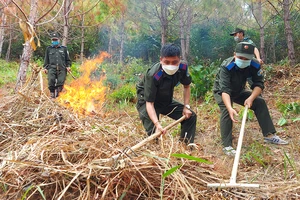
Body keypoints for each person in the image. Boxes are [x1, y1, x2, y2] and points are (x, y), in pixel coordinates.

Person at [213, 42, 288, 156]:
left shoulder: (254, 65)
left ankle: (269, 136)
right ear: (234, 55)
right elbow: (225, 90)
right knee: (227, 110)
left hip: (239, 90)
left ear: (252, 58)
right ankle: (227, 146)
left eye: (246, 58)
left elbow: (259, 84)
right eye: (240, 57)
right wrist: (230, 107)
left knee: (260, 102)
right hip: (222, 91)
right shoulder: (226, 66)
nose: (243, 60)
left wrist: (251, 98)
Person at [136, 44, 197, 145]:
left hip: (165, 99)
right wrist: (157, 124)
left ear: (180, 59)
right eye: (167, 62)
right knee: (154, 134)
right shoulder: (154, 75)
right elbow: (149, 103)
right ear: (161, 60)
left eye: (175, 62)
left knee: (190, 116)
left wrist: (186, 107)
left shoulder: (182, 68)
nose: (171, 65)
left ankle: (185, 147)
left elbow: (187, 86)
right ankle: (155, 153)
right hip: (147, 100)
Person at [43, 32, 71, 98]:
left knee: (60, 82)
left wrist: (68, 66)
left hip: (62, 68)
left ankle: (58, 96)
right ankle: (52, 94)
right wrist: (45, 67)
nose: (54, 41)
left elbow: (68, 59)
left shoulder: (64, 49)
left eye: (56, 40)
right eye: (53, 40)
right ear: (51, 40)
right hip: (52, 68)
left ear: (59, 40)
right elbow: (46, 59)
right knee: (51, 80)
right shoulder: (49, 49)